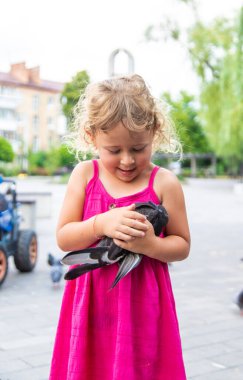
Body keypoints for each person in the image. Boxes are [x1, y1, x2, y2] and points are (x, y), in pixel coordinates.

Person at [49, 74, 190, 380]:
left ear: (155, 133)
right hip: (92, 307)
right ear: (91, 136)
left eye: (138, 148)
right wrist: (101, 223)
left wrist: (152, 246)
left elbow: (181, 245)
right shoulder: (84, 175)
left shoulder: (165, 183)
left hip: (143, 308)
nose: (127, 160)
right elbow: (64, 237)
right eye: (114, 150)